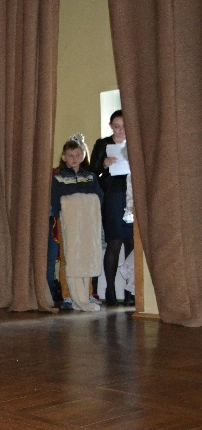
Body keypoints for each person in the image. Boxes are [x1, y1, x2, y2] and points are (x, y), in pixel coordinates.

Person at [51, 135, 104, 311]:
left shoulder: (90, 177)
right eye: (70, 155)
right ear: (64, 157)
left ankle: (87, 294)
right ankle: (67, 295)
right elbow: (55, 200)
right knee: (68, 257)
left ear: (83, 156)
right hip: (67, 223)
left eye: (78, 155)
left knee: (87, 256)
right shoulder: (58, 178)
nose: (74, 158)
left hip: (87, 224)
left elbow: (98, 197)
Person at [90, 110, 134, 306]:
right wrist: (104, 164)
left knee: (132, 243)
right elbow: (92, 170)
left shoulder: (134, 142)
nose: (121, 130)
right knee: (114, 242)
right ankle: (110, 289)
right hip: (112, 195)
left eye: (124, 126)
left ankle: (131, 290)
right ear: (111, 126)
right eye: (117, 127)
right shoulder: (103, 143)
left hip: (132, 194)